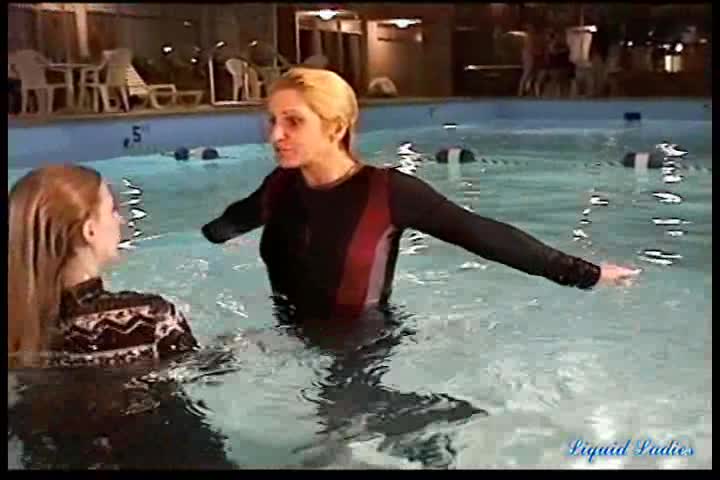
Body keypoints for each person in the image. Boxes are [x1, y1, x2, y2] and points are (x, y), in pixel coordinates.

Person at [202, 67, 640, 323]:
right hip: (285, 340)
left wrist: (585, 273)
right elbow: (231, 222)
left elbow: (482, 235)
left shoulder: (387, 192)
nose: (275, 135)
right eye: (272, 120)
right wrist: (216, 236)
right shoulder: (280, 186)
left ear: (335, 128)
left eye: (293, 121)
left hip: (359, 353)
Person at [8, 164, 199, 369]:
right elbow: (202, 372)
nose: (120, 220)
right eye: (112, 210)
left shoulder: (18, 329)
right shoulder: (150, 318)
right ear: (89, 231)